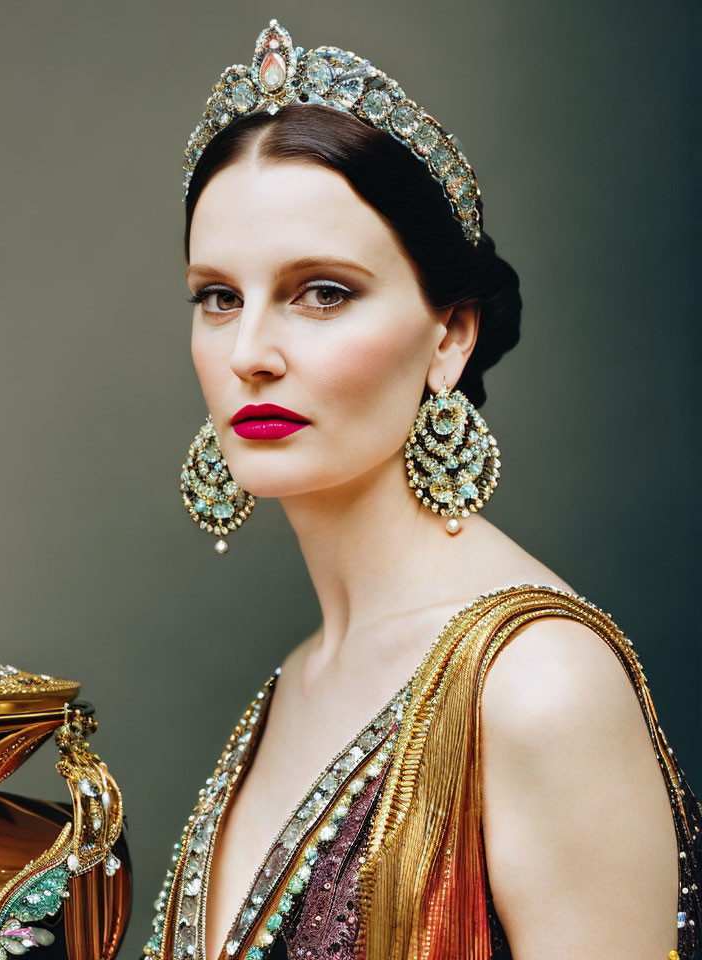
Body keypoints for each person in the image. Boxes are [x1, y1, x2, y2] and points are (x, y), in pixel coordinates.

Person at [144, 20, 701, 960]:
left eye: (321, 292)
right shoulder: (298, 680)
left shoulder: (537, 686)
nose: (249, 355)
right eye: (219, 297)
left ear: (451, 335)